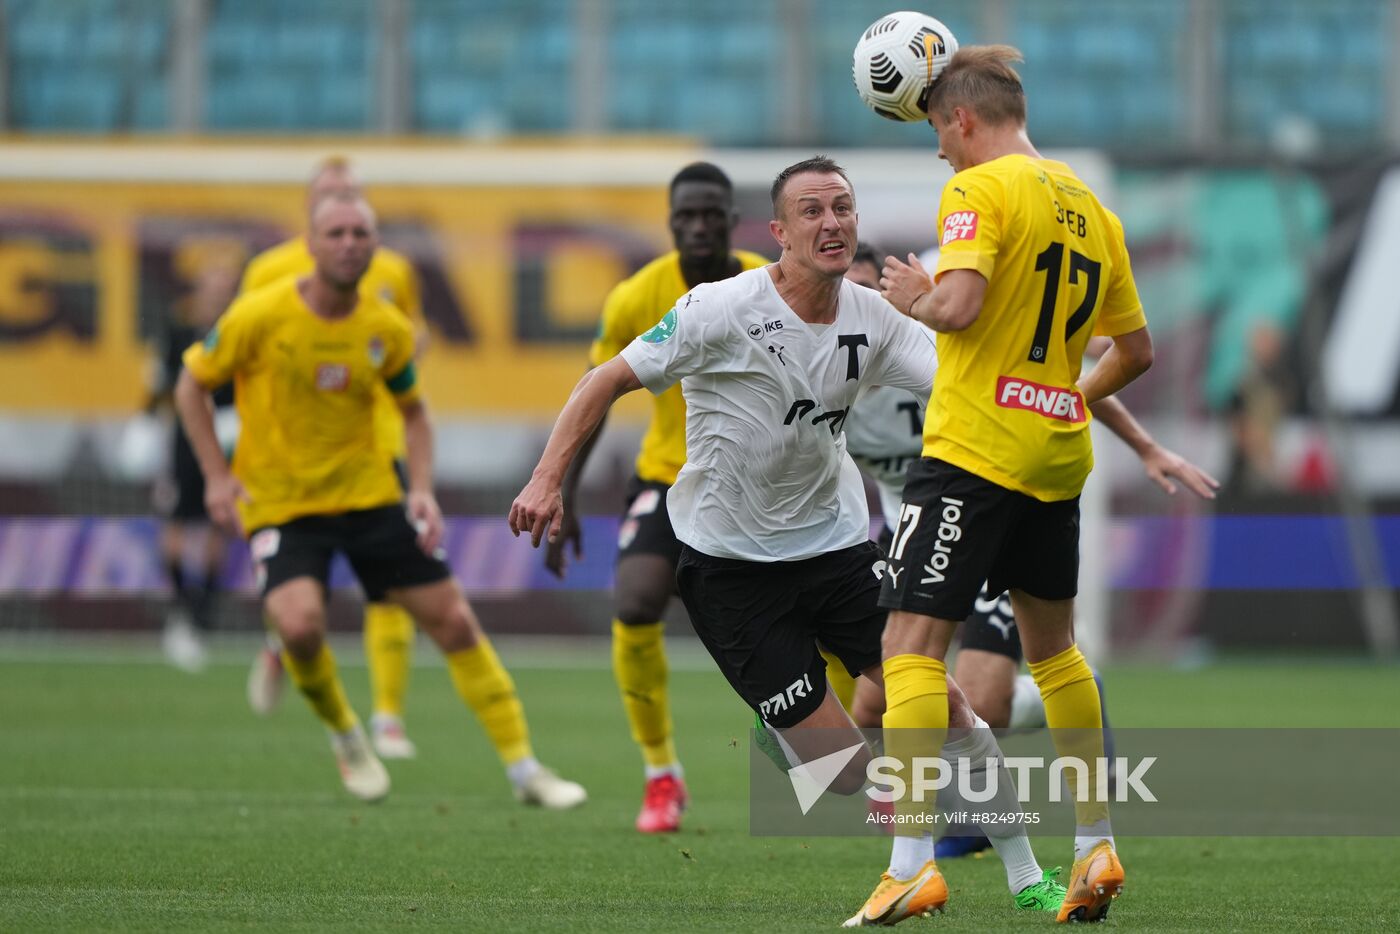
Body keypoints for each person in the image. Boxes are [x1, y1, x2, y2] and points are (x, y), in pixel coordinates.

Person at [513, 157, 1066, 915]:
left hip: (839, 551)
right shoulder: (719, 309)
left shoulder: (873, 319)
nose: (832, 222)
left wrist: (1050, 392)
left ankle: (1028, 877)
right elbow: (604, 379)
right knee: (838, 772)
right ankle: (803, 733)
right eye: (812, 211)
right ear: (778, 232)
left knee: (947, 706)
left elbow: (964, 380)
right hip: (728, 569)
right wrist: (547, 479)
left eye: (843, 207)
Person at [857, 46, 1154, 925]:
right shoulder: (1094, 210)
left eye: (939, 136)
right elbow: (1135, 353)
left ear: (964, 120)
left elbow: (958, 307)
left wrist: (914, 291)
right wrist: (1065, 393)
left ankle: (910, 864)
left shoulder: (978, 190)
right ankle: (1094, 843)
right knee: (1057, 653)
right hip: (1057, 457)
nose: (940, 156)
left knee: (909, 650)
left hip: (973, 454)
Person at [175, 192, 585, 809]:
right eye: (336, 233)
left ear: (375, 246)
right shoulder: (259, 315)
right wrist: (213, 475)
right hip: (282, 507)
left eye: (360, 234)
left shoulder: (385, 328)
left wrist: (420, 489)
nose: (348, 244)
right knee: (298, 625)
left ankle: (525, 769)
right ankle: (347, 735)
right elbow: (190, 386)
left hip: (369, 500)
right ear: (310, 245)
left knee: (453, 621)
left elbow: (415, 415)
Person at [842, 243, 1217, 862]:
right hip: (912, 531)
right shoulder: (835, 382)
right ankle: (985, 788)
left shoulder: (938, 351)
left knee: (978, 696)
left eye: (867, 299)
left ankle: (969, 820)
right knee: (874, 701)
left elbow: (1056, 385)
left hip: (991, 516)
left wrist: (1146, 447)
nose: (856, 316)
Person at [545, 162, 769, 833]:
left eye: (711, 214)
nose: (698, 226)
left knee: (811, 620)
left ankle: (843, 756)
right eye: (686, 216)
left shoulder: (773, 283)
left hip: (762, 484)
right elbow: (595, 396)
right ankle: (660, 776)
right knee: (636, 598)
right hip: (671, 478)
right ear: (672, 224)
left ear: (732, 221)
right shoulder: (636, 297)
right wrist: (563, 493)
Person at [239, 157, 425, 762]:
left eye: (352, 199)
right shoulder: (269, 273)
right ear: (310, 213)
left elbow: (406, 338)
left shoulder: (392, 269)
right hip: (292, 463)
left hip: (375, 444)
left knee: (392, 587)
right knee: (305, 594)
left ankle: (389, 717)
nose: (344, 215)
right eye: (330, 198)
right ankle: (281, 640)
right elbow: (245, 354)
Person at [148, 244, 244, 672]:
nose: (218, 290)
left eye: (226, 284)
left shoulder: (240, 327)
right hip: (185, 440)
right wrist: (149, 424)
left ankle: (201, 617)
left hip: (227, 438)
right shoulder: (178, 327)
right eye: (213, 282)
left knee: (215, 525)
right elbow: (166, 382)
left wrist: (234, 417)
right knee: (175, 523)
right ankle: (181, 611)